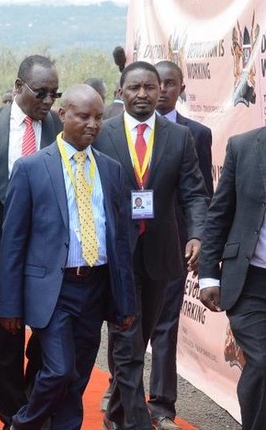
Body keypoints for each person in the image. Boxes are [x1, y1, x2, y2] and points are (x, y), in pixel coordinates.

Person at [0, 84, 136, 430]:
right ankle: (23, 424)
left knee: (76, 378)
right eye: (83, 116)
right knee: (58, 369)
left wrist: (126, 302)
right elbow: (12, 242)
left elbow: (119, 242)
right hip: (54, 289)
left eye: (99, 118)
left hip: (95, 287)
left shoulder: (111, 169)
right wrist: (9, 304)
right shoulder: (31, 168)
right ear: (63, 115)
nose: (92, 124)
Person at [95, 61, 208, 430]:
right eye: (134, 88)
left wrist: (196, 234)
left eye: (149, 87)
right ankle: (137, 421)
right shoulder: (103, 134)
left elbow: (194, 193)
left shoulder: (179, 138)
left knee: (140, 335)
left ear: (161, 90)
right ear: (121, 91)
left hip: (161, 256)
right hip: (116, 256)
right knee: (126, 342)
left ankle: (115, 412)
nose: (142, 94)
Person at [0, 54, 62, 429]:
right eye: (40, 92)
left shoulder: (61, 127)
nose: (47, 101)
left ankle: (31, 407)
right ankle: (12, 416)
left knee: (47, 345)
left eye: (53, 94)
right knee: (1, 349)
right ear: (17, 87)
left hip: (46, 264)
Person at [147, 59, 214, 430]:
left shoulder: (196, 135)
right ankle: (118, 389)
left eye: (170, 84)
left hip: (173, 246)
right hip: (130, 245)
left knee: (166, 326)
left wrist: (198, 237)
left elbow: (201, 194)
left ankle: (161, 405)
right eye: (157, 83)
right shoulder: (115, 130)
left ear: (180, 88)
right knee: (127, 320)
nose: (162, 90)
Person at [198, 125, 266, 430]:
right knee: (263, 361)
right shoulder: (244, 146)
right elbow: (219, 213)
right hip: (250, 281)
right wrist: (209, 275)